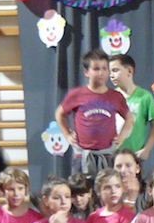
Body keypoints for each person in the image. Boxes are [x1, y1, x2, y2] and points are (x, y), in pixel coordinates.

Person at [55, 49, 133, 182]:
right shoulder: (76, 94)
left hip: (107, 154)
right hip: (83, 155)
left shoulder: (115, 96)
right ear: (86, 72)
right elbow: (60, 114)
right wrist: (67, 134)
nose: (101, 73)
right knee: (81, 191)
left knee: (108, 189)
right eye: (96, 69)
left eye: (104, 68)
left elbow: (129, 117)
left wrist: (122, 136)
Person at [109, 53, 154, 162]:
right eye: (110, 72)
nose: (111, 75)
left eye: (115, 70)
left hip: (135, 155)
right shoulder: (110, 97)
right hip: (113, 155)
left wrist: (146, 149)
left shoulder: (144, 97)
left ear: (129, 71)